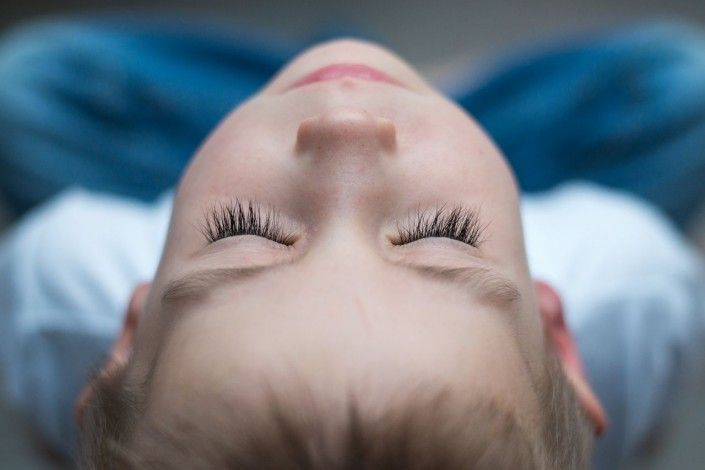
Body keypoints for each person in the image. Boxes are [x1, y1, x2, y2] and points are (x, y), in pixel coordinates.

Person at [0, 16, 703, 469]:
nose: (345, 126)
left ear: (128, 329)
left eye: (240, 231)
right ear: (557, 334)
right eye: (443, 236)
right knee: (681, 85)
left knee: (23, 91)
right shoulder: (631, 285)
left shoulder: (59, 288)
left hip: (195, 163)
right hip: (513, 171)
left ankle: (319, 77)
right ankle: (443, 91)